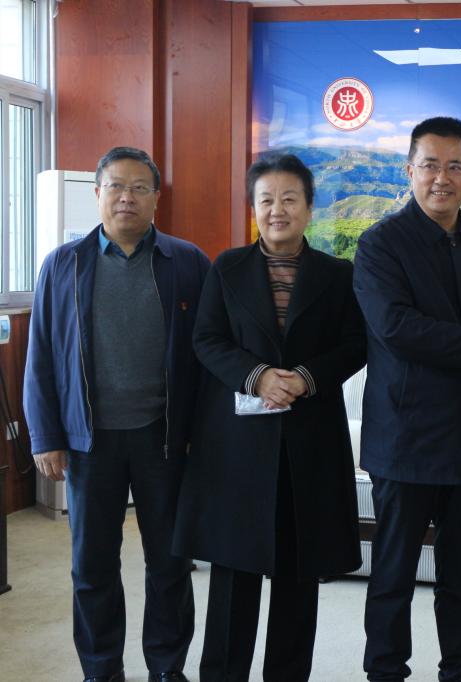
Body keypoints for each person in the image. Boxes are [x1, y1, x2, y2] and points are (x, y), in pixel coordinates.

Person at [171, 153, 366, 681]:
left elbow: (355, 344)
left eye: (289, 199)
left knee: (298, 577)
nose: (277, 210)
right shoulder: (227, 267)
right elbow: (206, 339)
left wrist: (305, 376)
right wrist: (256, 375)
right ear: (253, 207)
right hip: (237, 446)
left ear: (309, 207)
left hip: (308, 443)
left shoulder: (337, 274)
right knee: (233, 574)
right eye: (266, 200)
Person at [24, 147, 209, 682]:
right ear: (97, 193)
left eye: (139, 188)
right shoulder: (63, 264)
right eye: (116, 186)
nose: (127, 197)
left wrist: (202, 434)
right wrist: (45, 435)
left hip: (164, 440)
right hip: (90, 441)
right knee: (92, 565)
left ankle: (167, 668)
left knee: (170, 563)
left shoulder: (187, 262)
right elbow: (41, 354)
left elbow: (207, 355)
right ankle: (101, 670)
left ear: (156, 198)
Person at [353, 116, 461, 682]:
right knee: (393, 576)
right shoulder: (380, 244)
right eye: (429, 165)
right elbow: (397, 328)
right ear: (410, 171)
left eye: (455, 167)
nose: (441, 178)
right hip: (407, 440)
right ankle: (385, 673)